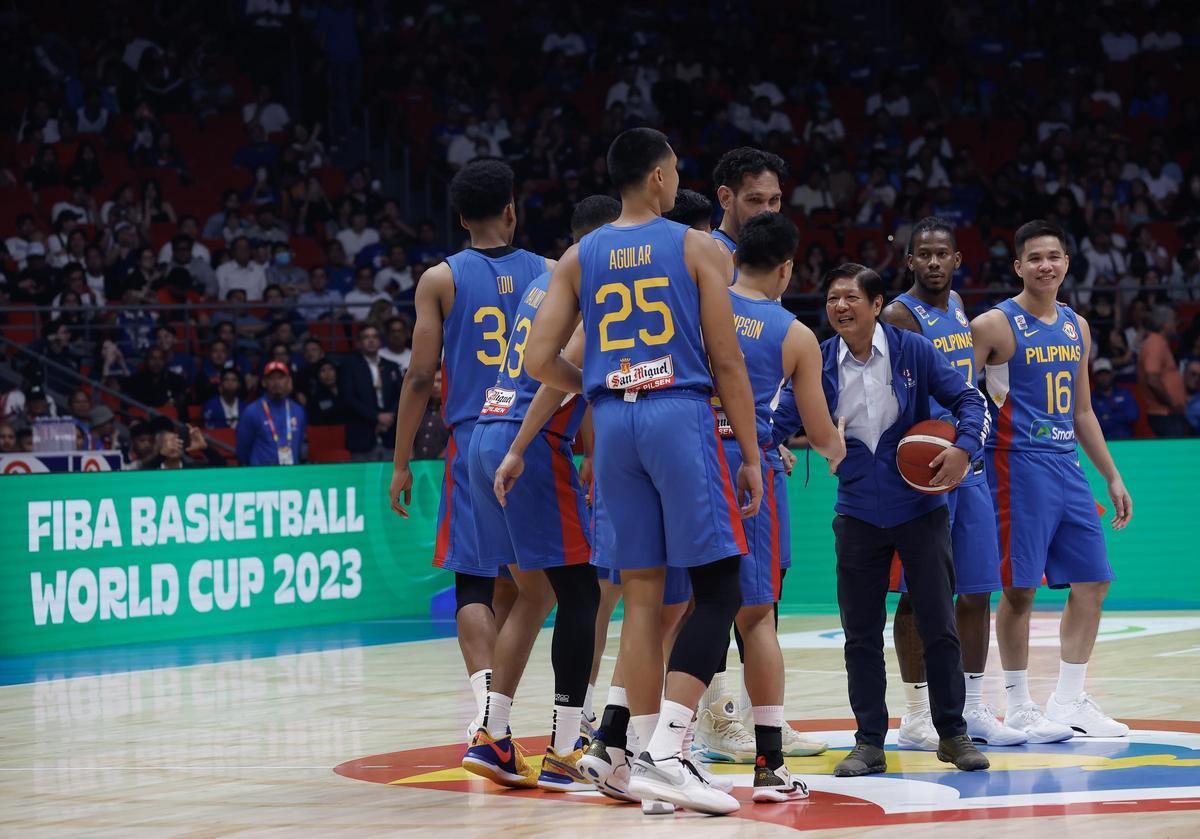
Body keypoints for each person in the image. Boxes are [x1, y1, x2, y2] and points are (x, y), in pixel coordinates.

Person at [521, 128, 762, 816]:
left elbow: (540, 360)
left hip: (614, 422)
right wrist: (747, 452)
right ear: (659, 178)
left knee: (642, 592)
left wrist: (595, 384)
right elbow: (727, 360)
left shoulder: (578, 254)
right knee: (720, 583)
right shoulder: (694, 247)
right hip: (675, 414)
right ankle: (669, 750)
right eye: (676, 169)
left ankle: (631, 752)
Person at [787, 263, 990, 778]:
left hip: (920, 511)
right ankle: (869, 742)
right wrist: (760, 448)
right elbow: (780, 418)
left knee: (940, 625)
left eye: (851, 297)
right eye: (833, 297)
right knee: (859, 633)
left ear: (877, 305)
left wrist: (964, 449)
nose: (840, 306)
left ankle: (953, 734)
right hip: (855, 513)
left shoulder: (913, 350)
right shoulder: (816, 359)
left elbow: (970, 397)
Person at [461, 196, 619, 792]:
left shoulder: (544, 279)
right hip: (524, 442)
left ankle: (493, 735)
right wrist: (529, 445)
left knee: (533, 593)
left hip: (487, 431)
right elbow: (558, 376)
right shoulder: (590, 286)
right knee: (581, 592)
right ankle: (565, 745)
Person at [387, 159, 546, 741]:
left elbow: (420, 377)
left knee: (475, 579)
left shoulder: (440, 278)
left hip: (474, 437)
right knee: (533, 582)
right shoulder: (552, 272)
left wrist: (403, 462)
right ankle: (528, 712)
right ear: (512, 208)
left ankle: (487, 705)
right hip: (535, 436)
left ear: (459, 217)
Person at [693, 212, 846, 800]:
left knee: (676, 608)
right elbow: (820, 431)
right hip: (746, 468)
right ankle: (769, 763)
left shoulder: (697, 306)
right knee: (755, 615)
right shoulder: (792, 332)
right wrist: (844, 453)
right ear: (786, 268)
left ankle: (664, 751)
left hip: (685, 460)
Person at [971, 219, 1133, 740]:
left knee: (1093, 580)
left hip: (1067, 466)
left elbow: (1083, 411)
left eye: (1054, 257)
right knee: (1018, 590)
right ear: (1018, 266)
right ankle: (1016, 704)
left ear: (1066, 263)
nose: (1046, 265)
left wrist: (1111, 475)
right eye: (1035, 257)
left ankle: (1068, 699)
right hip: (1015, 467)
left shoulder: (1076, 325)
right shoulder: (994, 324)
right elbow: (958, 395)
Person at [878, 217, 1026, 748]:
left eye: (944, 254)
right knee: (920, 594)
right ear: (910, 260)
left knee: (978, 589)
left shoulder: (960, 306)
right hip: (929, 475)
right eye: (925, 254)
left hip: (972, 466)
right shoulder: (899, 314)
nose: (935, 262)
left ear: (957, 260)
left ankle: (971, 705)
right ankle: (917, 713)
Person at [710, 147, 787, 264]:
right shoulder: (711, 256)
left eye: (774, 199)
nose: (767, 211)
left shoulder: (770, 254)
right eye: (755, 199)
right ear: (725, 198)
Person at [340, 324, 402, 460]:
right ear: (359, 343)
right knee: (363, 479)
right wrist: (376, 417)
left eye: (374, 337)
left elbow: (401, 396)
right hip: (362, 433)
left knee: (389, 479)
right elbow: (348, 399)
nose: (371, 340)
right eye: (366, 337)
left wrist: (390, 416)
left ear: (380, 341)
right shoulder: (349, 366)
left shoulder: (391, 366)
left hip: (390, 433)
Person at [236, 361, 306, 466]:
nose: (276, 382)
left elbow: (300, 443)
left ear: (288, 381)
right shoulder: (252, 411)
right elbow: (243, 449)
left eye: (280, 378)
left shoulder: (298, 410)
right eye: (271, 378)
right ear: (264, 382)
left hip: (291, 473)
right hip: (262, 475)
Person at [1138, 305, 1189, 437]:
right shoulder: (1155, 343)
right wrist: (1172, 403)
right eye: (1173, 321)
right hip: (1164, 413)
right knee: (1175, 454)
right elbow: (1152, 379)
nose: (1176, 325)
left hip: (1169, 413)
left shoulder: (1160, 342)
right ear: (1165, 324)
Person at [1091, 358, 1140, 439]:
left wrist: (1107, 417)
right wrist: (1119, 415)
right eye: (1100, 374)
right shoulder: (1092, 399)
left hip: (1128, 440)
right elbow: (1094, 425)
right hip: (1103, 442)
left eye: (1106, 373)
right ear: (1094, 377)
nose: (1104, 377)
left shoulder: (1125, 393)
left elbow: (1132, 415)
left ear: (1112, 374)